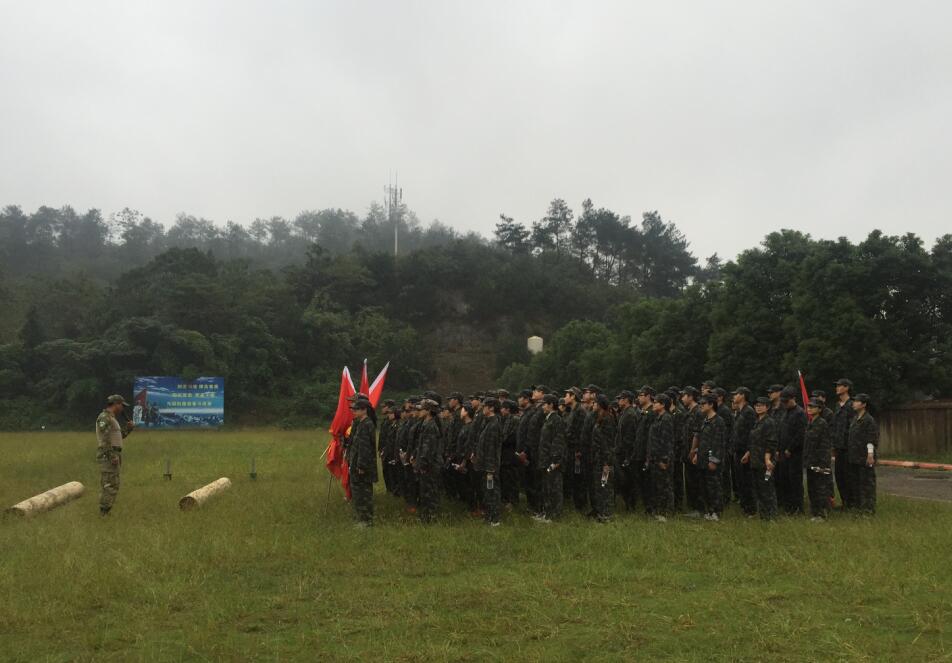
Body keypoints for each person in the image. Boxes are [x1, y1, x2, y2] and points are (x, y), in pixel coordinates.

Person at [95, 394, 135, 516]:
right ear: (116, 404)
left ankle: (106, 511)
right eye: (121, 405)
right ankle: (104, 512)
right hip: (109, 454)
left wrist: (128, 429)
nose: (122, 408)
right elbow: (105, 438)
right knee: (109, 484)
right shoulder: (104, 417)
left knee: (114, 483)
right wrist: (112, 455)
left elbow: (118, 437)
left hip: (114, 453)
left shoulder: (112, 418)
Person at [693, 395, 726, 521]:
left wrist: (713, 460)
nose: (701, 405)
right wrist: (696, 454)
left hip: (711, 460)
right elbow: (702, 440)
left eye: (703, 403)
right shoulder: (705, 420)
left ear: (711, 404)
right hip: (702, 459)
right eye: (700, 403)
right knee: (704, 487)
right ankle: (709, 510)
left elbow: (717, 443)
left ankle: (716, 512)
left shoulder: (718, 421)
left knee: (714, 487)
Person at [346, 397, 377, 527]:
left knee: (363, 494)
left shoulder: (366, 424)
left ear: (364, 410)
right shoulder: (361, 423)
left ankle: (366, 520)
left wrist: (361, 465)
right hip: (357, 464)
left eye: (356, 409)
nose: (354, 411)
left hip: (362, 466)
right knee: (358, 493)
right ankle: (361, 517)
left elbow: (365, 448)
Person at [537, 393, 566, 522]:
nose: (542, 406)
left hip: (552, 460)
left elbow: (558, 441)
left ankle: (555, 515)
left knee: (554, 487)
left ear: (551, 405)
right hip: (545, 459)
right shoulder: (548, 419)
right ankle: (547, 512)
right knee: (546, 487)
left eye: (544, 404)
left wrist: (556, 460)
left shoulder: (557, 420)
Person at [777, 386, 806, 515]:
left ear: (793, 399)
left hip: (795, 453)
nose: (784, 404)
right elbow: (781, 432)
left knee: (795, 481)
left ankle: (798, 507)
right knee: (785, 480)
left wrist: (790, 448)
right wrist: (778, 449)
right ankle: (788, 506)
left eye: (786, 401)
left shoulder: (800, 413)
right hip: (783, 452)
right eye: (782, 401)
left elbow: (800, 434)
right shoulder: (785, 412)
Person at [474, 397, 503, 526]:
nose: (483, 408)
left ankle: (494, 518)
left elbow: (492, 447)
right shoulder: (488, 422)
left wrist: (490, 469)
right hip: (484, 465)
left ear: (491, 408)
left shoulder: (494, 424)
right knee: (487, 491)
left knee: (492, 491)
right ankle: (489, 516)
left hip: (489, 467)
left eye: (485, 406)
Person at [848, 393, 878, 515]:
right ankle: (859, 507)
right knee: (856, 483)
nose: (854, 403)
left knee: (867, 484)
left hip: (865, 457)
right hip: (855, 456)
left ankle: (868, 509)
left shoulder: (868, 420)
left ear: (864, 404)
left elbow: (871, 438)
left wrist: (870, 454)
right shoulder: (855, 418)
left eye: (857, 401)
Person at [804, 399, 834, 521]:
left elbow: (823, 445)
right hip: (811, 460)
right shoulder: (810, 422)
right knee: (812, 487)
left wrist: (823, 463)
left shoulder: (821, 423)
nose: (809, 408)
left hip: (820, 461)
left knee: (820, 487)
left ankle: (821, 513)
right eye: (808, 406)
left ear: (820, 409)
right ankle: (815, 512)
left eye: (812, 407)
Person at [415, 399, 443, 523]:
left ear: (429, 411)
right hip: (426, 464)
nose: (419, 411)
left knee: (430, 491)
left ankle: (431, 517)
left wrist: (423, 464)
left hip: (430, 465)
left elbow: (428, 449)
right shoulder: (426, 423)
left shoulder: (431, 425)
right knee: (425, 491)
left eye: (421, 409)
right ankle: (425, 515)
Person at [648, 394, 675, 521]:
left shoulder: (666, 419)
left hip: (662, 459)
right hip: (655, 458)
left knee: (665, 485)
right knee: (657, 485)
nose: (653, 404)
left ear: (663, 404)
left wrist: (664, 460)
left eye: (656, 402)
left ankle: (666, 513)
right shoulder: (658, 418)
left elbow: (667, 441)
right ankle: (659, 511)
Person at [731, 387, 757, 516]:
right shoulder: (739, 411)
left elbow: (752, 434)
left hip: (745, 452)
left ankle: (751, 509)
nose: (734, 396)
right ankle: (745, 507)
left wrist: (749, 451)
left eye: (736, 394)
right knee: (740, 480)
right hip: (737, 450)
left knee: (747, 481)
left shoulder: (749, 411)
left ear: (743, 395)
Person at [681, 386, 705, 517]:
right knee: (690, 480)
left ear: (691, 396)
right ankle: (693, 508)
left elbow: (698, 434)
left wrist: (694, 450)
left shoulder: (698, 412)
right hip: (687, 451)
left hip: (694, 452)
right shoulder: (689, 411)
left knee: (696, 480)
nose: (682, 398)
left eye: (684, 395)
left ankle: (699, 509)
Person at [831, 378, 855, 509]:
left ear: (846, 388)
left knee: (848, 476)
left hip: (848, 447)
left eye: (839, 386)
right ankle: (845, 502)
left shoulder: (852, 405)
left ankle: (852, 503)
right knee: (840, 476)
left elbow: (853, 427)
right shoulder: (837, 405)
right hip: (838, 447)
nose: (837, 388)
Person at [562, 387, 586, 511]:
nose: (565, 398)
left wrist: (579, 450)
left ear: (573, 396)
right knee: (573, 477)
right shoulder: (572, 411)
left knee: (579, 478)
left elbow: (582, 433)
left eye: (567, 395)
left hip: (577, 451)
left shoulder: (580, 411)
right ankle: (577, 504)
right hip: (570, 448)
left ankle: (580, 506)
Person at [614, 390, 638, 511]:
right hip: (620, 451)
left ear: (627, 400)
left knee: (628, 480)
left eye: (621, 398)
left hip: (626, 453)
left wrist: (627, 456)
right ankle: (628, 504)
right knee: (623, 480)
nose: (619, 401)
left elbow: (629, 437)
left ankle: (631, 505)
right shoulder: (625, 413)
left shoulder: (630, 414)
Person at [499, 399, 521, 509]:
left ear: (508, 409)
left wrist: (501, 441)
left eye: (503, 408)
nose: (501, 410)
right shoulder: (504, 419)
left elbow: (512, 437)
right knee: (505, 478)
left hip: (511, 454)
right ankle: (506, 500)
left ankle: (513, 501)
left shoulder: (515, 419)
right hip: (504, 454)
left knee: (511, 478)